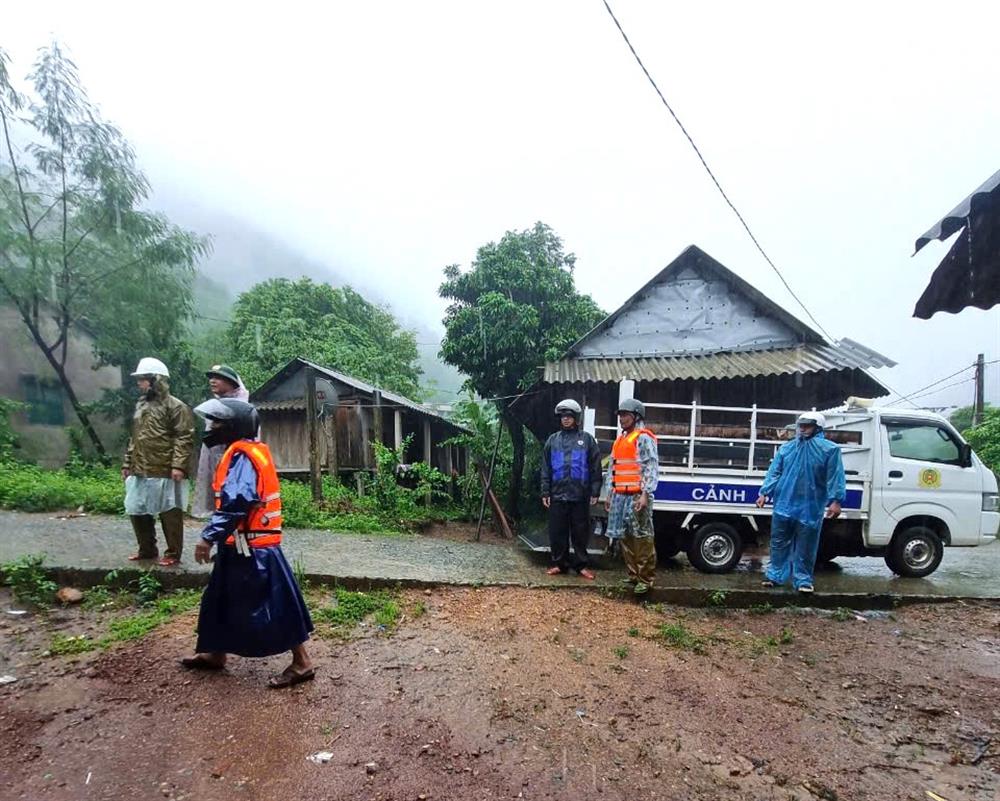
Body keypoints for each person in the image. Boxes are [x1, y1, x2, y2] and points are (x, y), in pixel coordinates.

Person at [182, 398, 315, 688]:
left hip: (255, 549)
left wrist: (208, 536)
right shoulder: (244, 452)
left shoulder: (243, 457)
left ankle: (302, 662)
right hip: (242, 545)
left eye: (217, 422)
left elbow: (237, 502)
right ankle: (216, 652)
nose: (212, 427)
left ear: (234, 425)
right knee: (219, 599)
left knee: (277, 604)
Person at [756, 411, 846, 594]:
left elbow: (835, 476)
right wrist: (765, 493)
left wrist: (835, 500)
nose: (803, 428)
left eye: (808, 425)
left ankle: (803, 580)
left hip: (810, 506)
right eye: (801, 425)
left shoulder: (829, 450)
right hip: (784, 503)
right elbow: (775, 471)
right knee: (779, 542)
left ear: (818, 427)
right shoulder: (787, 448)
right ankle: (775, 576)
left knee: (806, 545)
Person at [122, 358, 195, 567]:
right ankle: (146, 549)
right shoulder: (141, 405)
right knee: (137, 509)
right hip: (141, 467)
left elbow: (184, 436)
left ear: (156, 380)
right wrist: (128, 462)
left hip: (165, 468)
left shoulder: (176, 406)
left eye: (143, 379)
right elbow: (134, 437)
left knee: (170, 512)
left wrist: (178, 465)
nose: (139, 384)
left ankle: (173, 553)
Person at [540, 399, 603, 580]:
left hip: (580, 496)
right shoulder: (553, 440)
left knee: (580, 533)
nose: (566, 420)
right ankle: (560, 564)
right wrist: (545, 491)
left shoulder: (587, 440)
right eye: (563, 416)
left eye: (569, 416)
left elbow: (595, 467)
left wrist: (595, 490)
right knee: (557, 532)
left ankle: (581, 565)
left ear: (576, 418)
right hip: (557, 495)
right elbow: (546, 468)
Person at [604, 398, 659, 594]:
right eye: (620, 415)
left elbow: (650, 467)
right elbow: (613, 468)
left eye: (625, 415)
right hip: (620, 495)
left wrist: (645, 494)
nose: (622, 419)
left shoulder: (643, 438)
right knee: (625, 536)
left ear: (636, 416)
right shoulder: (620, 440)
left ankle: (645, 578)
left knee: (642, 536)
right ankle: (633, 575)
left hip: (637, 494)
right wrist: (610, 494)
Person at [191, 364, 250, 519]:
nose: (212, 381)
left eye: (218, 378)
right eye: (211, 378)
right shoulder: (214, 406)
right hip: (216, 467)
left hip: (235, 467)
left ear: (232, 383)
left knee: (232, 509)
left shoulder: (242, 409)